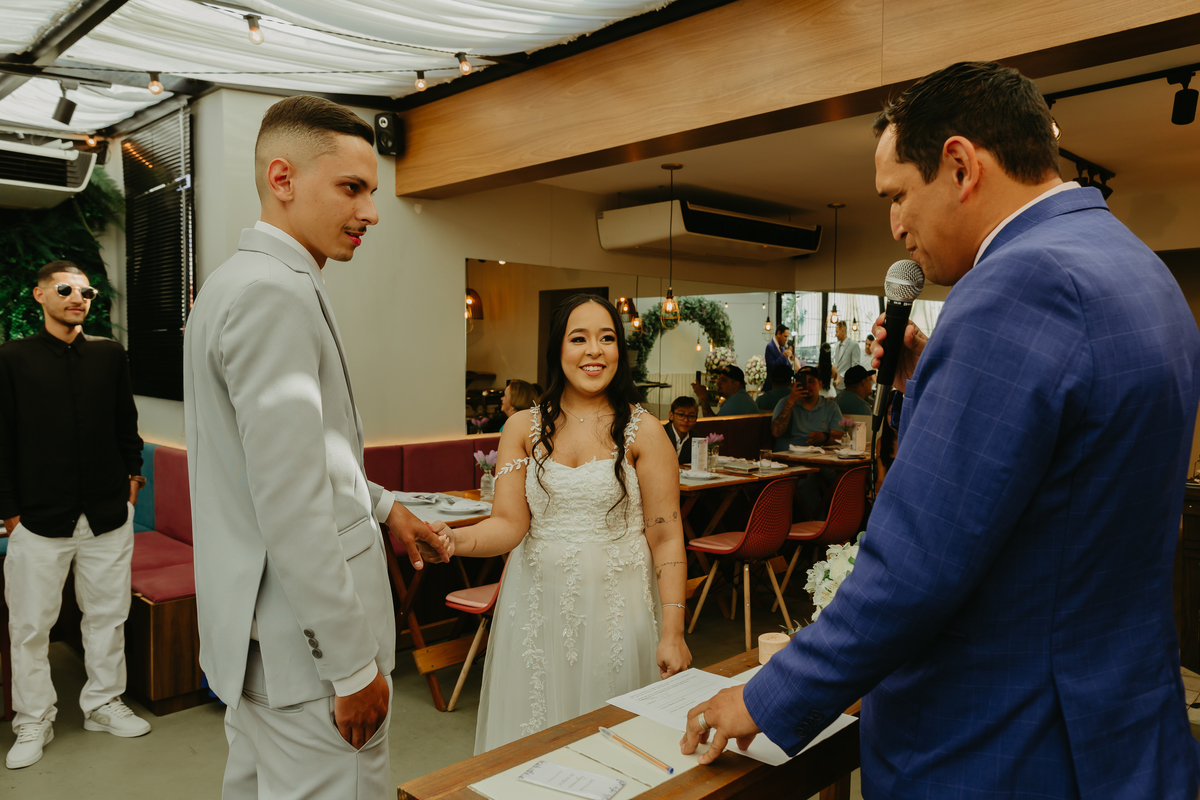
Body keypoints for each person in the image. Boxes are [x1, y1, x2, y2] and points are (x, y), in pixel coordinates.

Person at [681, 61, 1200, 799]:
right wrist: (931, 380)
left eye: (897, 195)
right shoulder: (1139, 268)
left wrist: (768, 696)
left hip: (1005, 740)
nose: (896, 226)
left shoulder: (1016, 286)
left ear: (960, 165)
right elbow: (1072, 478)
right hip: (1123, 724)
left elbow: (917, 562)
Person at [183, 95, 450, 800]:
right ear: (283, 179)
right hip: (308, 660)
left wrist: (384, 507)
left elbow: (292, 458)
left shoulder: (234, 282)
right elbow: (293, 504)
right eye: (352, 188)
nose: (371, 212)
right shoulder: (274, 294)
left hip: (257, 643)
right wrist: (351, 666)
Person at [450, 294, 691, 754]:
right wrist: (452, 540)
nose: (594, 350)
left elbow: (666, 537)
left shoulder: (644, 430)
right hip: (536, 607)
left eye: (607, 338)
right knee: (534, 740)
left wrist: (673, 632)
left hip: (618, 608)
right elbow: (508, 524)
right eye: (579, 338)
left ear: (619, 350)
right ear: (558, 349)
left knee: (613, 746)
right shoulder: (522, 427)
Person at [0, 261, 150, 769]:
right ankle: (33, 718)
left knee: (108, 616)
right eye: (65, 289)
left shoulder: (109, 355)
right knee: (30, 627)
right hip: (38, 520)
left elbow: (126, 424)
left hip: (108, 515)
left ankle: (103, 703)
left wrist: (132, 484)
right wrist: (10, 514)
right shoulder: (12, 358)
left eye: (86, 292)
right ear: (40, 295)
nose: (76, 298)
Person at [770, 366, 844, 451]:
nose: (807, 386)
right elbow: (776, 432)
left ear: (819, 384)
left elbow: (838, 440)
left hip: (817, 455)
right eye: (802, 382)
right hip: (786, 455)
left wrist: (825, 437)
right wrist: (791, 401)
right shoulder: (785, 402)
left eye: (811, 382)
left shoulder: (831, 406)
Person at [692, 365, 757, 417]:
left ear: (735, 384)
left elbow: (713, 425)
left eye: (723, 380)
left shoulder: (737, 401)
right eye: (719, 379)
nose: (718, 383)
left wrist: (703, 397)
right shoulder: (741, 397)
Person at [664, 396, 699, 465]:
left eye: (691, 416)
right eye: (681, 415)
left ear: (696, 419)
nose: (686, 420)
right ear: (671, 415)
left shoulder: (695, 437)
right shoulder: (662, 434)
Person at [762, 324, 792, 391]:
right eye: (785, 336)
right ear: (779, 334)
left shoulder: (782, 348)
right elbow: (771, 366)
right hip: (772, 386)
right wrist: (783, 356)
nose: (786, 339)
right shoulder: (770, 346)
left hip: (783, 385)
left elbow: (786, 365)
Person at [830, 320, 857, 391]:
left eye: (837, 332)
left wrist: (841, 376)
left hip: (846, 387)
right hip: (835, 386)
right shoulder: (837, 347)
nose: (836, 335)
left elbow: (855, 367)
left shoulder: (854, 346)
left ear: (842, 331)